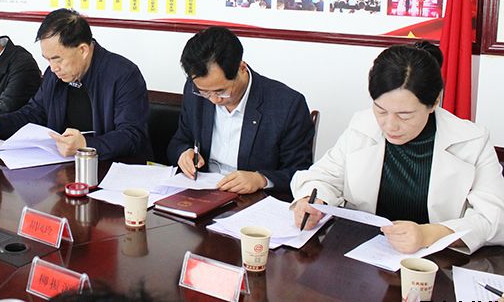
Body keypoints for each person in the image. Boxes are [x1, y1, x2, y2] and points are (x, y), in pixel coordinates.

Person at [291, 43, 504, 254]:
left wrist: (428, 234)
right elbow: (323, 177)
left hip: (436, 262)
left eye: (405, 115)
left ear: (434, 102)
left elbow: (494, 219)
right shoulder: (362, 126)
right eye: (381, 110)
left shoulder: (472, 141)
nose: (390, 126)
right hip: (364, 256)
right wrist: (312, 201)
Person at [0, 8, 152, 161]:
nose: (53, 68)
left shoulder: (123, 75)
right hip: (65, 167)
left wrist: (86, 145)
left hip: (114, 171)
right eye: (48, 60)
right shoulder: (55, 75)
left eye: (57, 59)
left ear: (82, 50)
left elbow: (131, 136)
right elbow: (35, 113)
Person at [167, 27, 314, 194]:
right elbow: (179, 140)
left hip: (252, 200)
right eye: (205, 92)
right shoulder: (195, 91)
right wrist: (183, 153)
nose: (214, 100)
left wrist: (261, 179)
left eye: (221, 91)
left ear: (241, 68)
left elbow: (301, 171)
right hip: (202, 193)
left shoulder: (287, 105)